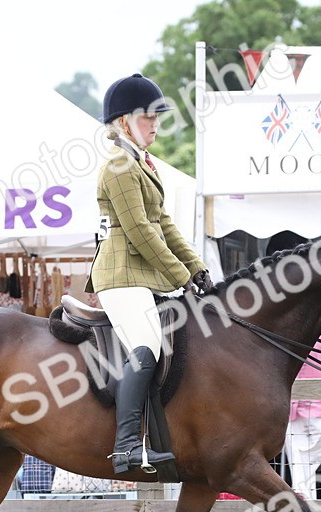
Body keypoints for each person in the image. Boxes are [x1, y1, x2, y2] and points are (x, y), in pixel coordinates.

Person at [90, 73, 214, 475]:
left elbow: (164, 224)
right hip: (121, 276)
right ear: (124, 122)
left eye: (158, 117)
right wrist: (180, 277)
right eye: (148, 117)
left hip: (142, 275)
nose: (156, 124)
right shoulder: (119, 167)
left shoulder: (143, 164)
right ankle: (126, 446)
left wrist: (196, 267)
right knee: (147, 344)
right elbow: (141, 232)